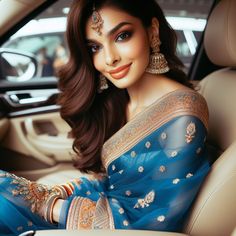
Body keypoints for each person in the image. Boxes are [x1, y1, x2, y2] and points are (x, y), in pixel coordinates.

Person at [0, 0, 210, 234]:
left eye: (122, 36)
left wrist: (46, 205)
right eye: (94, 47)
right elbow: (114, 183)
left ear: (152, 31)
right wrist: (57, 194)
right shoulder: (120, 100)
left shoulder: (182, 112)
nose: (109, 59)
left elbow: (148, 222)